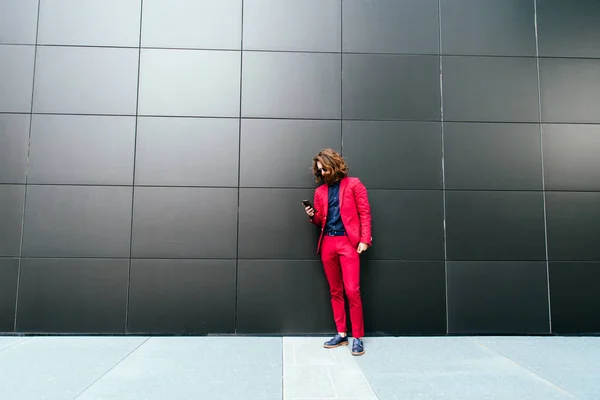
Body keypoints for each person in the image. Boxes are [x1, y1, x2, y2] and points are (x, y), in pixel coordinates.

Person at [304, 148, 372, 356]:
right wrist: (312, 215)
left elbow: (364, 212)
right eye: (319, 170)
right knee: (335, 291)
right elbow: (319, 221)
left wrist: (364, 239)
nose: (322, 173)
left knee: (352, 290)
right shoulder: (319, 192)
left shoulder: (354, 184)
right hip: (328, 244)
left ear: (334, 165)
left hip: (348, 243)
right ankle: (342, 334)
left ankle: (357, 337)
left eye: (324, 169)